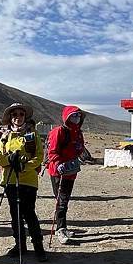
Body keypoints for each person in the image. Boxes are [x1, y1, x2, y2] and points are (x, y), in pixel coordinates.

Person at [0, 103, 47, 262]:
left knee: (29, 213)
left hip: (28, 180)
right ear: (10, 117)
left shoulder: (32, 134)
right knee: (15, 215)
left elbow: (39, 156)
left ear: (25, 116)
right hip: (10, 180)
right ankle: (20, 245)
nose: (18, 117)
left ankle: (39, 247)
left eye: (21, 114)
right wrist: (10, 161)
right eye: (14, 114)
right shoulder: (5, 136)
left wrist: (24, 166)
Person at [47, 105, 85, 244]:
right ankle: (60, 230)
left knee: (65, 201)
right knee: (61, 202)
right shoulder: (58, 132)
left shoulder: (78, 132)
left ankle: (63, 227)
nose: (77, 118)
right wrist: (58, 164)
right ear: (67, 117)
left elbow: (79, 149)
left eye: (78, 116)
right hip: (59, 172)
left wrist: (79, 150)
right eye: (74, 115)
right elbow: (52, 152)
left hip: (70, 171)